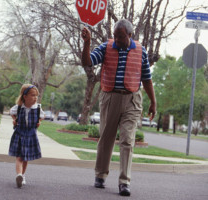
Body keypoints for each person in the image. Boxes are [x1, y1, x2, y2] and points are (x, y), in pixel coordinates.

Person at [81, 19, 156, 196]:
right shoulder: (106, 47)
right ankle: (100, 175)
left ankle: (124, 181)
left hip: (132, 99)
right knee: (106, 138)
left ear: (130, 35)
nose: (117, 39)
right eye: (115, 36)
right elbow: (88, 62)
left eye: (120, 37)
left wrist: (153, 102)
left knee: (127, 140)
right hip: (110, 97)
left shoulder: (141, 51)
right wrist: (87, 43)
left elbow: (146, 78)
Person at [9, 84, 44, 188]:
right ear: (25, 96)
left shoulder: (37, 108)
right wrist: (14, 119)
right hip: (19, 133)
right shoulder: (18, 107)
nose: (35, 98)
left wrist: (39, 121)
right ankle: (19, 175)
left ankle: (23, 175)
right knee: (19, 156)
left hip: (30, 134)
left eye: (36, 96)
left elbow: (42, 116)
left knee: (26, 157)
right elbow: (11, 112)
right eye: (33, 95)